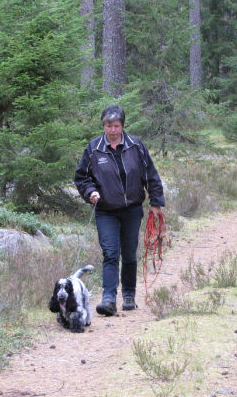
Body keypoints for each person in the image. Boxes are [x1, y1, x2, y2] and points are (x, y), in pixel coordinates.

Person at [74, 105, 165, 316]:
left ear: (122, 126)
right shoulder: (93, 148)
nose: (112, 130)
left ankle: (129, 295)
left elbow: (151, 175)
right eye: (108, 126)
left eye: (116, 126)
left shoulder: (136, 146)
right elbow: (81, 177)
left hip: (132, 209)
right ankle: (108, 298)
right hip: (105, 210)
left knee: (130, 254)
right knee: (111, 253)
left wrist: (156, 203)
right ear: (103, 126)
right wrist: (90, 192)